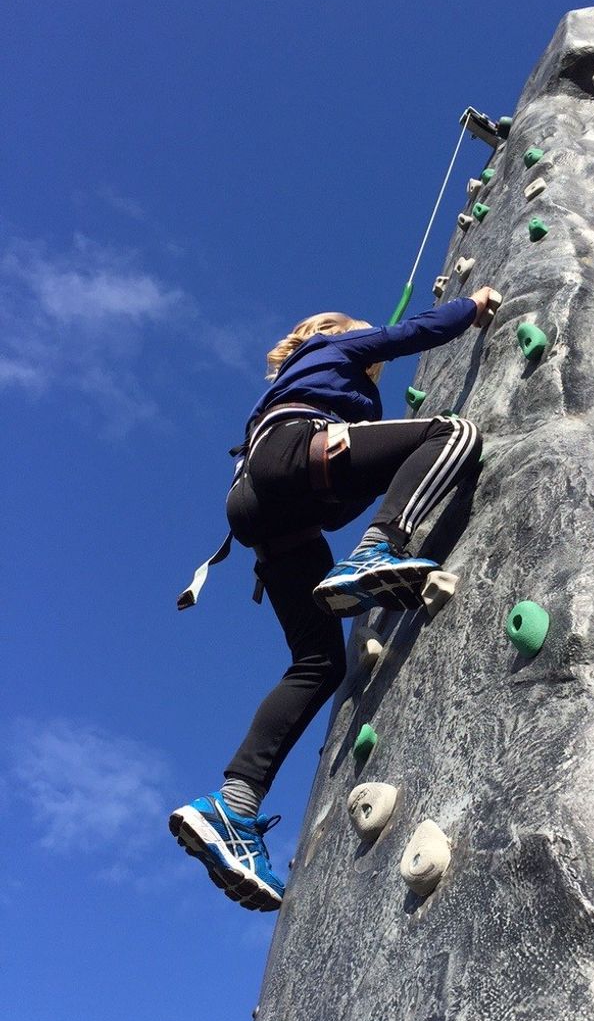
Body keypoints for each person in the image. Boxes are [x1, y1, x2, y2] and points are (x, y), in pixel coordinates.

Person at [169, 288, 491, 912]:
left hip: (265, 511)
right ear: (328, 329)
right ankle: (381, 548)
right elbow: (410, 333)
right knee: (452, 433)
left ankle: (232, 807)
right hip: (298, 456)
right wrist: (472, 307)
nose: (368, 339)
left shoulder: (308, 377)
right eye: (358, 329)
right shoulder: (331, 344)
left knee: (319, 664)